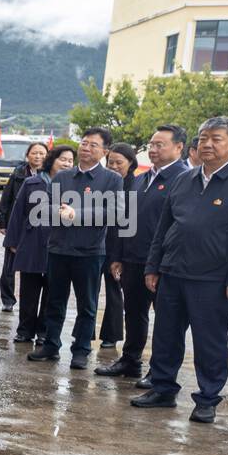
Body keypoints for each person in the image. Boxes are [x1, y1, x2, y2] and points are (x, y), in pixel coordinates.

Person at [133, 116, 228, 424]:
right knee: (166, 336)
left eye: (216, 138)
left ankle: (207, 398)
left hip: (215, 280)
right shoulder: (185, 179)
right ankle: (163, 389)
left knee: (210, 342)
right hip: (172, 273)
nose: (207, 144)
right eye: (203, 138)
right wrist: (154, 266)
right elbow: (164, 228)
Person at [27, 127, 124, 369]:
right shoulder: (63, 177)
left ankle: (81, 349)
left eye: (93, 145)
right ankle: (50, 344)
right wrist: (56, 212)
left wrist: (76, 214)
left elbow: (114, 213)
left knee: (87, 305)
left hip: (89, 252)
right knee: (55, 301)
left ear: (104, 151)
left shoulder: (112, 179)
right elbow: (45, 208)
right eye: (83, 142)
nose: (86, 148)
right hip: (58, 249)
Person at [100, 125, 188, 384]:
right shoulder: (141, 179)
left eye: (160, 144)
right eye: (151, 144)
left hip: (163, 264)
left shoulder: (184, 180)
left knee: (167, 320)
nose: (153, 149)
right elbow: (124, 219)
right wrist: (117, 255)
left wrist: (160, 264)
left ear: (179, 147)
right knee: (134, 312)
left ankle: (159, 372)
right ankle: (130, 360)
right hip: (133, 259)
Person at [5, 145, 76, 346]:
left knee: (53, 292)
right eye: (63, 159)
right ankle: (25, 330)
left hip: (59, 244)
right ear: (52, 160)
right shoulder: (32, 182)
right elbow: (18, 213)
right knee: (29, 290)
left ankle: (44, 332)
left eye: (71, 160)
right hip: (32, 242)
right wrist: (13, 241)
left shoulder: (73, 186)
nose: (67, 163)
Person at [0, 143, 47, 311]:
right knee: (9, 265)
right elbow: (7, 197)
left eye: (41, 153)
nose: (38, 156)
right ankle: (8, 299)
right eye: (34, 153)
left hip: (37, 229)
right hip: (16, 225)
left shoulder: (50, 176)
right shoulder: (18, 173)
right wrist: (2, 221)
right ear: (28, 155)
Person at [96, 142, 134, 348]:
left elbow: (129, 222)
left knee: (113, 290)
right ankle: (85, 333)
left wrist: (121, 253)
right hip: (96, 242)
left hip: (118, 246)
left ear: (131, 163)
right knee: (90, 290)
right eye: (110, 162)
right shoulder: (103, 181)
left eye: (119, 162)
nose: (114, 166)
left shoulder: (134, 185)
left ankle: (111, 335)